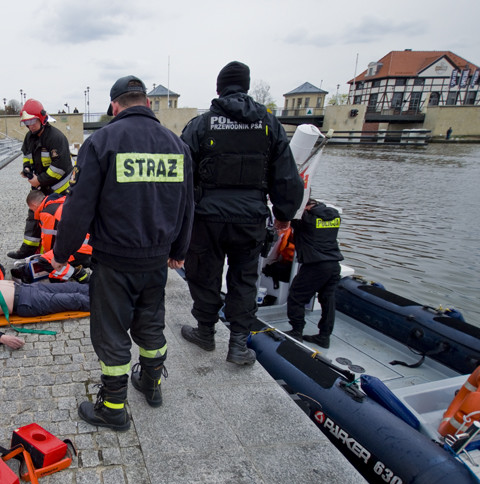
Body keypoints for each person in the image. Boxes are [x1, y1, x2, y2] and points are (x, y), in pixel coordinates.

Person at [52, 75, 194, 431]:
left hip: (114, 260)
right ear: (147, 103)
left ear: (114, 106)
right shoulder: (177, 146)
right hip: (156, 260)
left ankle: (113, 408)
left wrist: (62, 252)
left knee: (112, 331)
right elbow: (188, 205)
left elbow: (78, 205)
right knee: (150, 321)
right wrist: (179, 250)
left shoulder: (102, 141)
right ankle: (151, 384)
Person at [179, 61, 303, 366]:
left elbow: (179, 173)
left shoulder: (201, 125)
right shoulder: (269, 125)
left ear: (219, 89)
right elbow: (287, 176)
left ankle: (205, 332)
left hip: (206, 219)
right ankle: (237, 344)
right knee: (245, 279)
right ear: (246, 87)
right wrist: (284, 214)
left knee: (204, 275)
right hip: (249, 218)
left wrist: (179, 216)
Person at [7, 99, 74, 260]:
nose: (30, 126)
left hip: (60, 189)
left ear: (42, 118)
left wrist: (39, 180)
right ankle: (28, 249)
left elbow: (60, 167)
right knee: (34, 216)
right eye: (27, 123)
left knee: (57, 221)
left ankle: (59, 253)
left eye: (32, 121)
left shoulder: (56, 138)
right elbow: (27, 155)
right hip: (41, 185)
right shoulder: (29, 137)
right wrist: (27, 169)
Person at [285, 198, 343, 348]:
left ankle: (296, 331)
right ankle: (324, 336)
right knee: (328, 300)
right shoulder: (335, 216)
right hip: (334, 265)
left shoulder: (307, 219)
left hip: (316, 266)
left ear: (306, 208)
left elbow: (288, 216)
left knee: (296, 296)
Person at [18, 189, 91, 283]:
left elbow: (49, 242)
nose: (33, 212)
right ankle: (80, 267)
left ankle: (79, 274)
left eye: (32, 210)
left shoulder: (47, 213)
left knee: (45, 261)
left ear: (34, 205)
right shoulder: (61, 202)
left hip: (79, 248)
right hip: (89, 244)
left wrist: (47, 257)